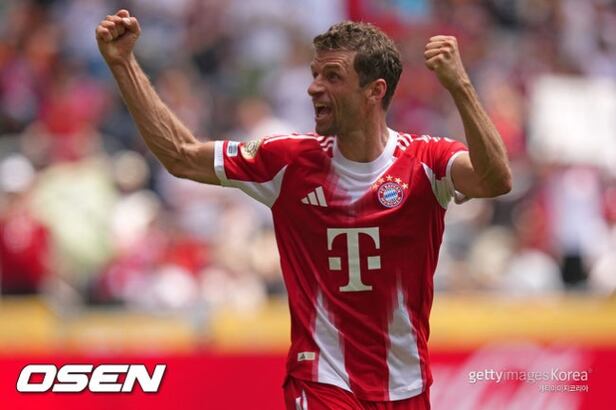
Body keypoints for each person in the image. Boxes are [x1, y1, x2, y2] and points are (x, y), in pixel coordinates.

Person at [96, 9, 511, 410]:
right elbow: (182, 155)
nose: (314, 88)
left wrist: (460, 86)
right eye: (315, 75)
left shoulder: (426, 161)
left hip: (406, 386)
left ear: (375, 91)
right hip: (322, 381)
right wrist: (123, 64)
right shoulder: (288, 160)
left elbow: (495, 180)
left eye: (332, 76)